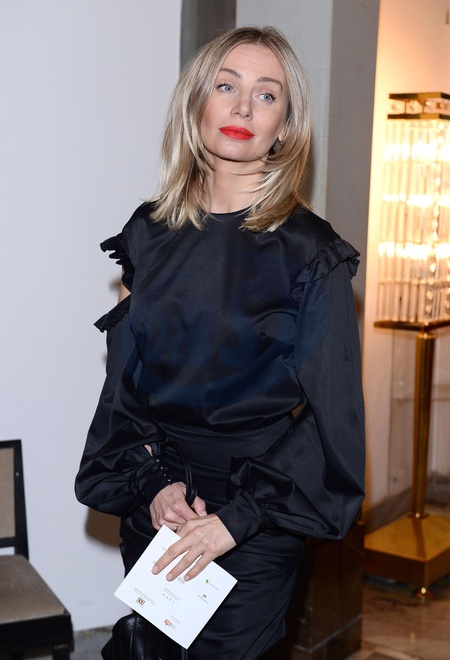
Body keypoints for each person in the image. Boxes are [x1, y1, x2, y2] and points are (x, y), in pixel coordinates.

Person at [75, 25, 365, 660]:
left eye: (267, 95)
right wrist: (154, 484)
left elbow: (331, 418)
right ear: (196, 104)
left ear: (284, 126)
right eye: (226, 86)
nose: (243, 107)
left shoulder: (312, 253)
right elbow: (123, 387)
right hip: (160, 507)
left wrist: (235, 522)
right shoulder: (147, 234)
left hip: (258, 515)